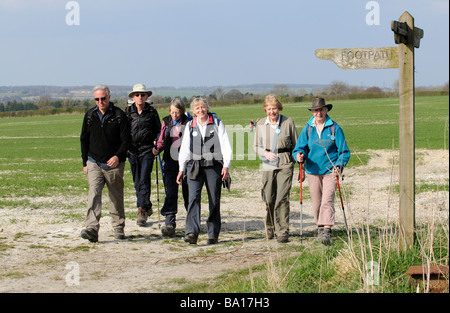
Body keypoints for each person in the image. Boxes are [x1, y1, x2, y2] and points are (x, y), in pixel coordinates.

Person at [292, 98, 350, 245]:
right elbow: (299, 148)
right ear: (312, 112)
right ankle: (319, 227)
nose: (319, 112)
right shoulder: (308, 129)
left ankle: (326, 230)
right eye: (316, 110)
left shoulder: (334, 128)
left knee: (327, 199)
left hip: (331, 170)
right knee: (316, 201)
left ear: (326, 110)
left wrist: (339, 165)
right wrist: (299, 155)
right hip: (312, 170)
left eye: (321, 109)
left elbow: (343, 151)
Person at [176, 96, 232, 244]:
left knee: (214, 198)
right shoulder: (189, 125)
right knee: (193, 198)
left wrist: (226, 165)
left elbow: (226, 145)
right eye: (197, 108)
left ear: (207, 107)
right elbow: (185, 149)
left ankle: (213, 233)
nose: (200, 110)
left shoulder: (217, 123)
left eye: (203, 107)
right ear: (193, 111)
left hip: (213, 166)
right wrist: (181, 169)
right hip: (194, 166)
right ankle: (192, 232)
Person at [80, 84, 131, 242]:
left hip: (113, 164)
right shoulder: (90, 116)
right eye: (97, 99)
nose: (100, 101)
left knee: (115, 196)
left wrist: (117, 156)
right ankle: (92, 228)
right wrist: (85, 162)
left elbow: (126, 140)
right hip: (94, 162)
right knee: (93, 194)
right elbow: (84, 139)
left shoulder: (118, 115)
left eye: (103, 98)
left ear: (109, 97)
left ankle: (118, 227)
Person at [254, 95, 298, 243]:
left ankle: (283, 231)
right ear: (265, 110)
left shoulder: (288, 122)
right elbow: (256, 146)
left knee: (282, 198)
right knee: (269, 197)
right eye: (269, 109)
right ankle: (270, 226)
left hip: (285, 163)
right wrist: (265, 153)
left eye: (275, 108)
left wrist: (300, 163)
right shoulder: (260, 124)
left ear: (279, 108)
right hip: (268, 164)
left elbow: (296, 145)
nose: (272, 111)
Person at [153, 98, 191, 237]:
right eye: (173, 112)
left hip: (186, 161)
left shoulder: (188, 123)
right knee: (170, 191)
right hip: (170, 161)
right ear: (169, 111)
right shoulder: (166, 122)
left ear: (182, 111)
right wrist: (157, 149)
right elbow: (162, 139)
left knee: (188, 192)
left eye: (177, 112)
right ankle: (170, 222)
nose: (175, 115)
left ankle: (191, 222)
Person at [126, 83, 161, 226]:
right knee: (136, 181)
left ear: (146, 97)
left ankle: (141, 210)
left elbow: (159, 131)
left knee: (144, 179)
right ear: (133, 97)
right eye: (137, 95)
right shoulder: (128, 112)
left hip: (147, 150)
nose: (140, 97)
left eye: (143, 95)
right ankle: (147, 205)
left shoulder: (152, 112)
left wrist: (157, 146)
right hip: (132, 151)